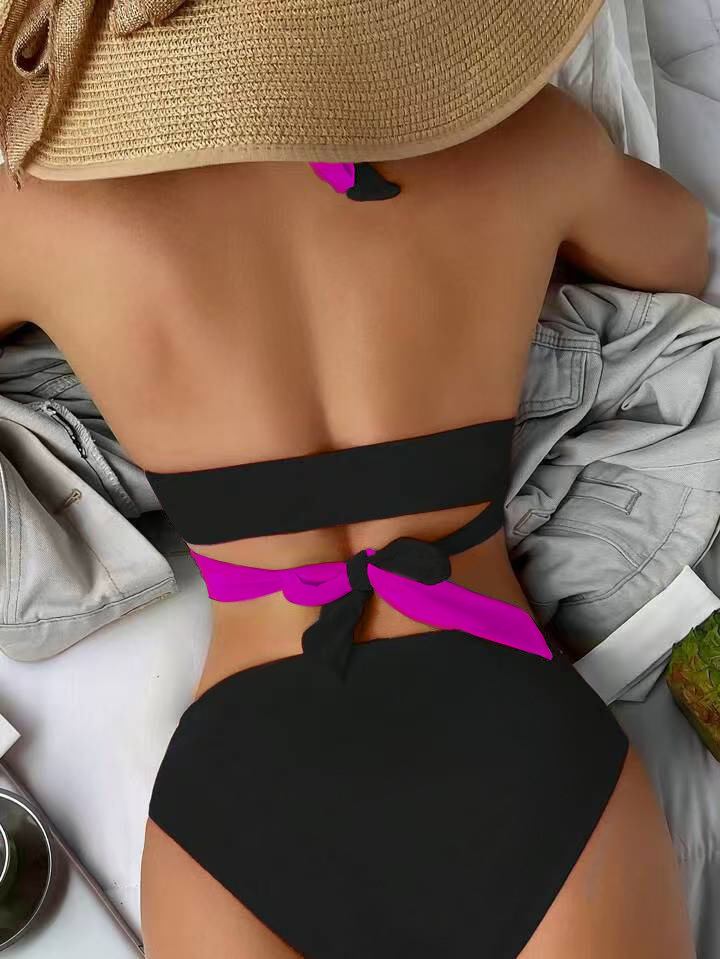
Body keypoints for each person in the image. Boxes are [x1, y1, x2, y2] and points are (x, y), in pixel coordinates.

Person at [0, 1, 708, 956]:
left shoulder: (43, 211)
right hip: (517, 737)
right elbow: (679, 252)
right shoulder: (523, 141)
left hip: (246, 782)